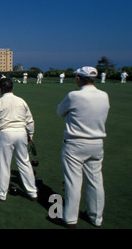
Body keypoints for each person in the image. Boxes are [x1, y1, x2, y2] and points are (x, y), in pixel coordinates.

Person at [56, 66, 110, 228]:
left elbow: (60, 111)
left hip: (75, 143)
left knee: (73, 181)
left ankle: (70, 219)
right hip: (97, 143)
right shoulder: (104, 95)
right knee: (95, 181)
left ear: (79, 79)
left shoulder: (74, 95)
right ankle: (96, 218)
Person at [0, 77, 37, 202]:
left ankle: (2, 193)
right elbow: (29, 120)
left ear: (0, 89)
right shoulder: (21, 101)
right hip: (21, 132)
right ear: (12, 88)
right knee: (24, 162)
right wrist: (30, 134)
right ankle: (32, 192)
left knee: (4, 164)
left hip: (6, 133)